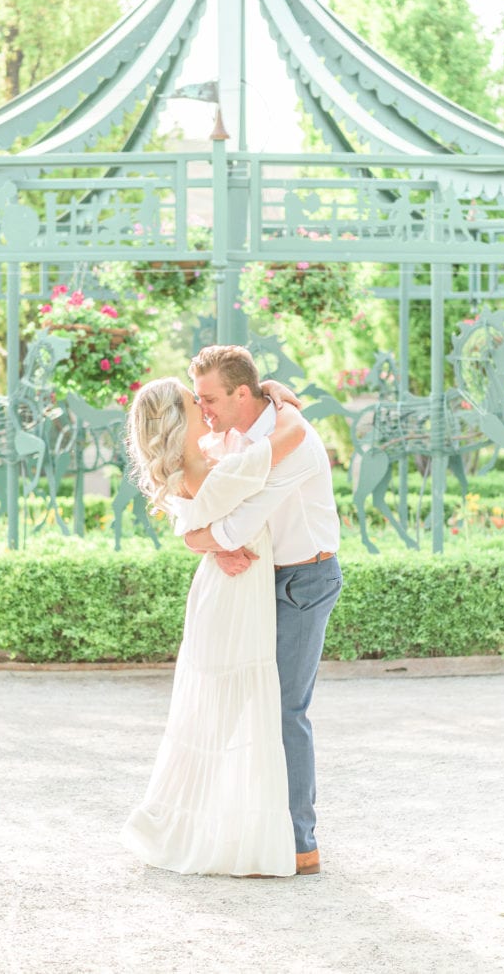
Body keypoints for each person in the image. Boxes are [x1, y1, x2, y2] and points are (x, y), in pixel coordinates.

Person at [120, 375, 308, 877]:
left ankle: (174, 820)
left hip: (225, 590)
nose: (203, 407)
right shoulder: (221, 475)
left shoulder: (193, 470)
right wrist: (279, 396)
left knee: (214, 717)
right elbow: (292, 436)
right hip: (233, 599)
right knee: (234, 713)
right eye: (192, 401)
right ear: (177, 420)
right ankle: (200, 830)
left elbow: (190, 532)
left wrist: (210, 542)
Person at [185, 346, 342, 877]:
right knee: (237, 702)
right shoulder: (237, 436)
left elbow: (237, 521)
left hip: (303, 579)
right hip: (256, 581)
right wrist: (200, 533)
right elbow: (198, 494)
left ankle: (302, 845)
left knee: (283, 711)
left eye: (210, 398)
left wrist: (201, 540)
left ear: (243, 393)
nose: (203, 408)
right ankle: (238, 829)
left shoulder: (292, 444)